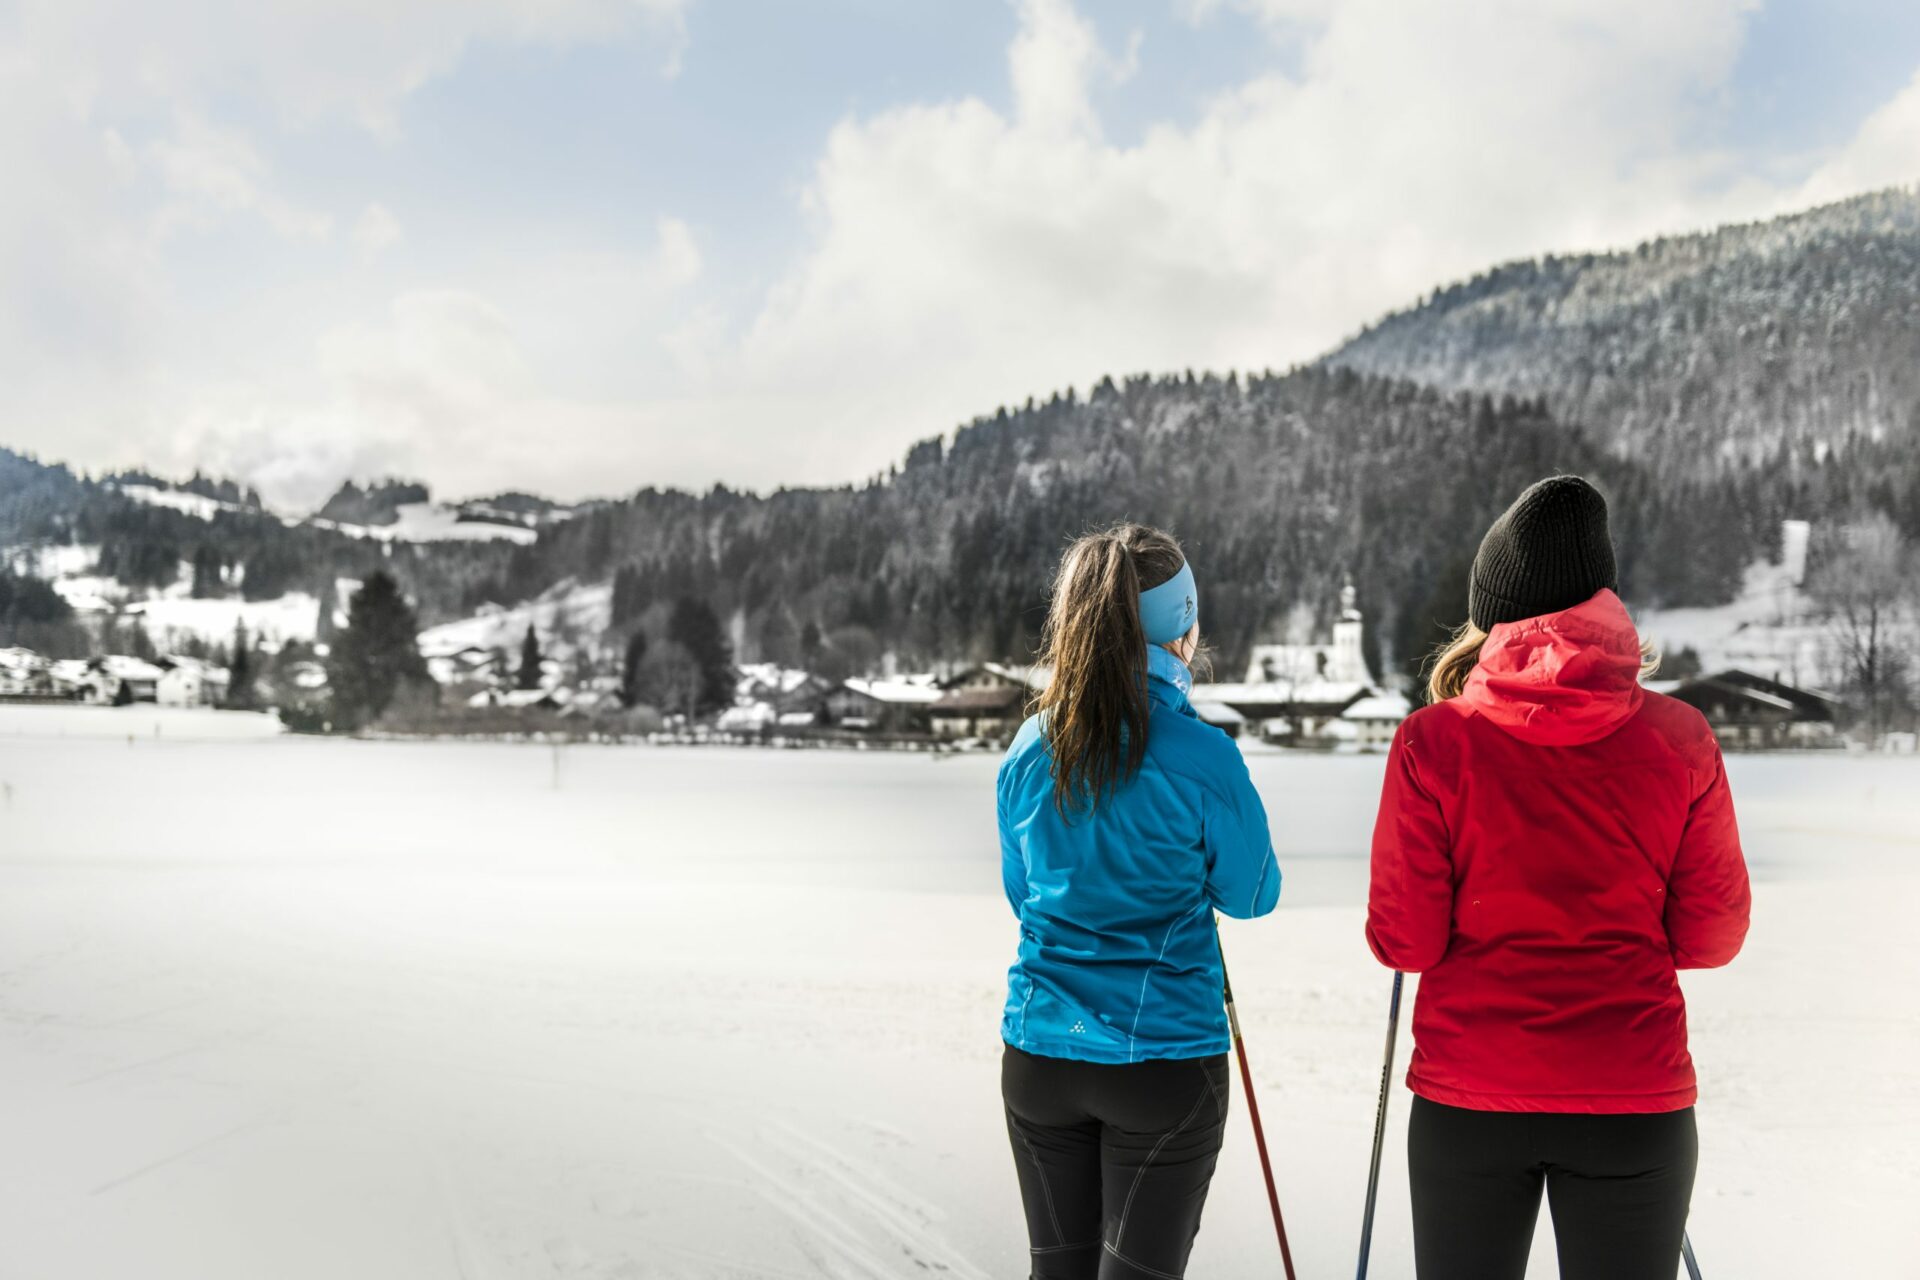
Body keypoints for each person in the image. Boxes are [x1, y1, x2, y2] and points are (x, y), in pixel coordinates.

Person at [1367, 475, 1751, 1280]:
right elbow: (1713, 938)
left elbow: (1405, 938)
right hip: (1631, 1096)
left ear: (1491, 612)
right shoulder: (1681, 739)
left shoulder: (1432, 742)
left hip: (1471, 1099)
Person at [998, 523, 1281, 1280]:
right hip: (1162, 1066)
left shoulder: (1032, 746)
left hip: (1041, 1058)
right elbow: (1253, 894)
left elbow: (1024, 894)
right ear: (1184, 630)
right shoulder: (1202, 755)